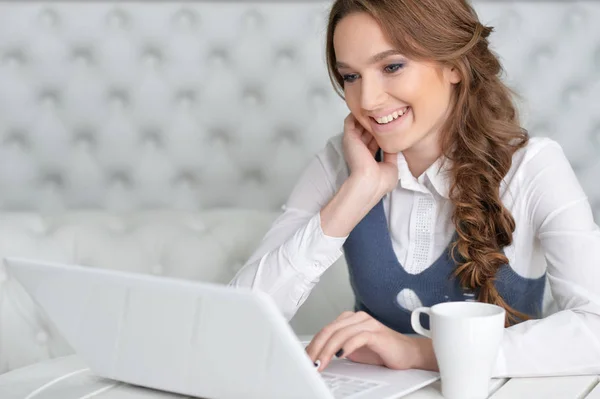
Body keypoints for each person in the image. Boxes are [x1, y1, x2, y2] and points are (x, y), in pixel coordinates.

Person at [230, 0, 600, 377]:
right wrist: (356, 194)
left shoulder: (532, 168)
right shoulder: (340, 163)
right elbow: (236, 321)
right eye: (351, 77)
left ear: (454, 65)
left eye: (392, 66)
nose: (368, 100)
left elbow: (595, 329)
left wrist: (419, 352)